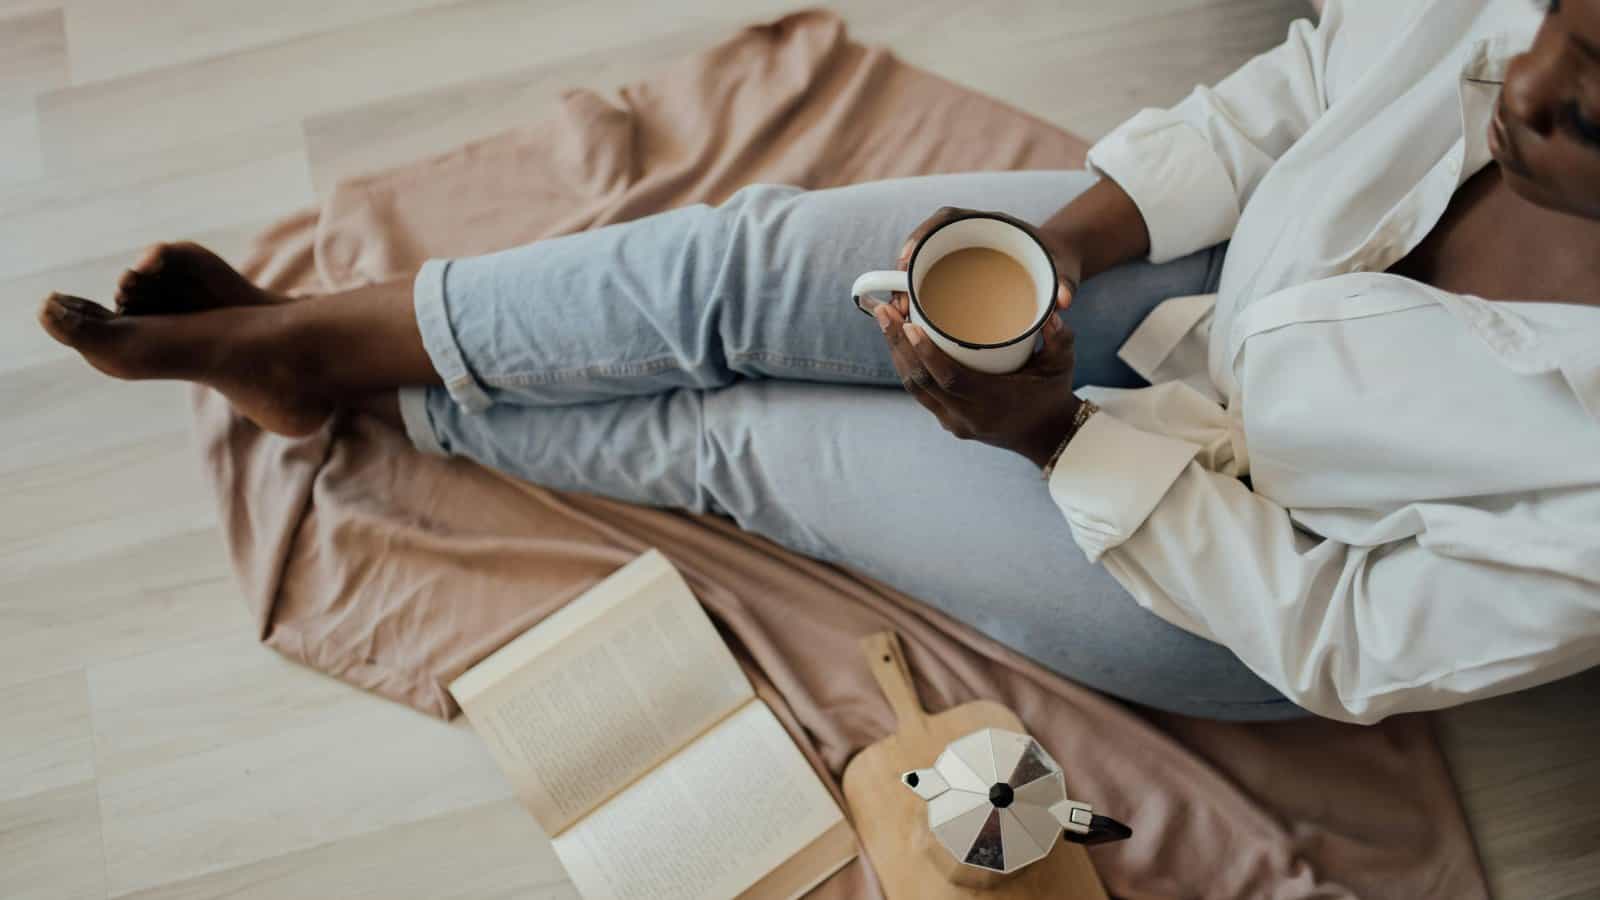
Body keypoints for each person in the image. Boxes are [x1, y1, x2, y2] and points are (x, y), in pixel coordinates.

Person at [37, 0, 1600, 723]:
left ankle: (365, 395)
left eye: (1598, 95)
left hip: (1236, 578)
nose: (1540, 77)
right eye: (1568, 27)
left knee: (748, 440)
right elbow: (1317, 75)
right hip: (1218, 275)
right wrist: (1077, 238)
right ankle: (314, 337)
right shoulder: (1525, 42)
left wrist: (1058, 438)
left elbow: (1357, 639)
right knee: (743, 265)